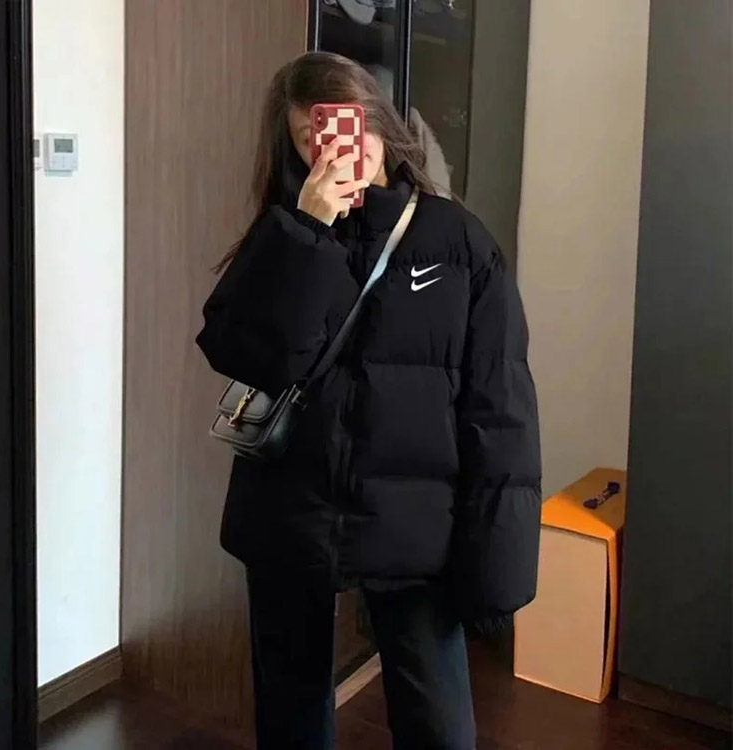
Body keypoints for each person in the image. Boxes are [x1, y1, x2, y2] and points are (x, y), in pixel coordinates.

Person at [196, 51, 541, 750]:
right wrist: (306, 233)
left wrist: (497, 565)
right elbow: (243, 354)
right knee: (290, 719)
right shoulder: (284, 231)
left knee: (439, 727)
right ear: (293, 149)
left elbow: (500, 407)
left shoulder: (457, 240)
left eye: (347, 124)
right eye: (310, 136)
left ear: (380, 124)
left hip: (416, 527)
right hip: (290, 515)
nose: (333, 148)